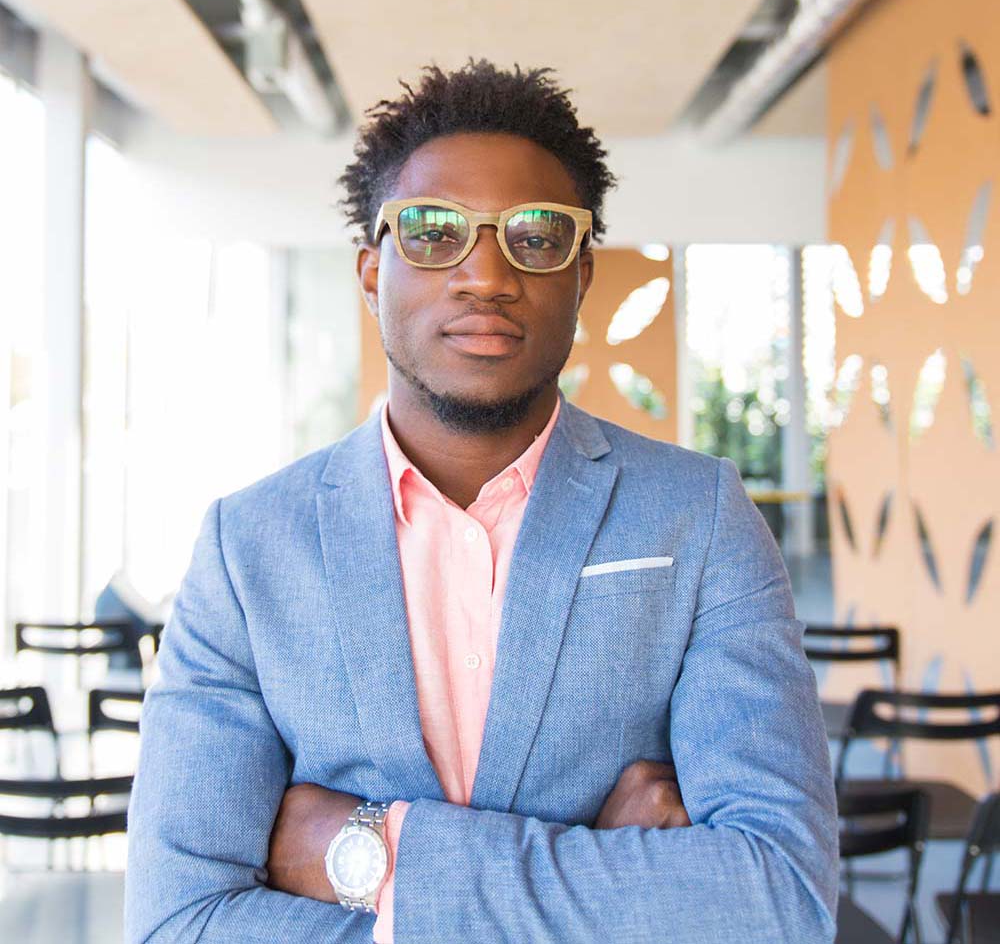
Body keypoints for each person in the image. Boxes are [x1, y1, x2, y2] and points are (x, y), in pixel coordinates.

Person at [125, 59, 838, 943]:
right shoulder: (248, 547)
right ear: (369, 273)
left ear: (581, 276)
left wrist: (366, 853)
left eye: (536, 236)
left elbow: (778, 895)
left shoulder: (700, 515)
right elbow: (181, 921)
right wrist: (598, 874)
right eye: (432, 232)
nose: (487, 275)